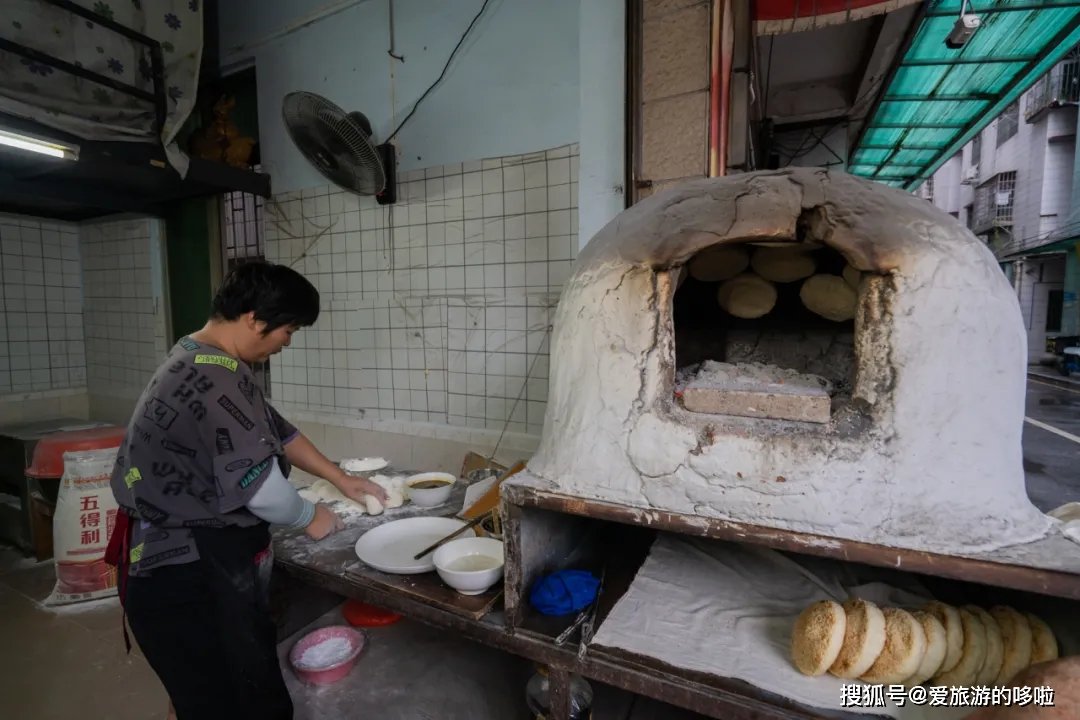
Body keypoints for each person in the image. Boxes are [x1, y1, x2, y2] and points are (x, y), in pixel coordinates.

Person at [105, 261, 386, 720]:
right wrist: (311, 517)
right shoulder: (216, 377)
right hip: (185, 575)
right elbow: (263, 493)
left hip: (182, 566)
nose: (286, 342)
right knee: (238, 705)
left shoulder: (201, 355)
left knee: (219, 697)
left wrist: (340, 477)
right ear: (255, 319)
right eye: (288, 330)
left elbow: (279, 431)